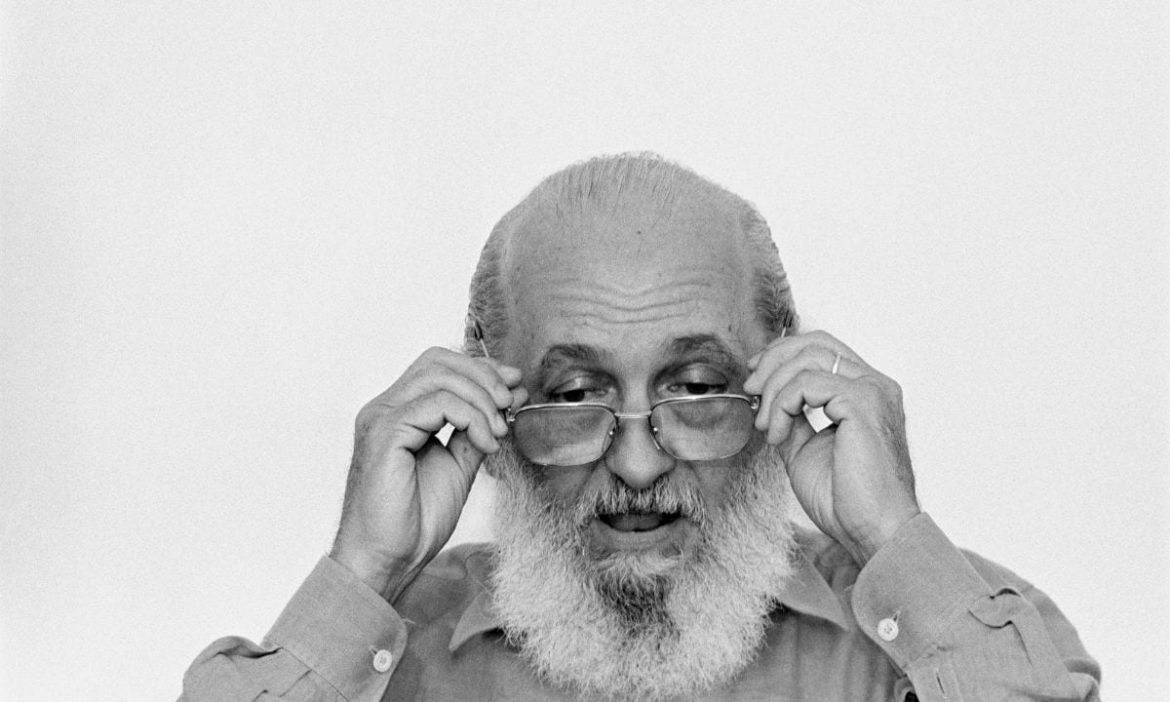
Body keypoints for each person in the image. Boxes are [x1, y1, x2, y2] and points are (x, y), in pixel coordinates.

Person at [180, 153, 1101, 701]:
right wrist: (364, 571)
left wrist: (892, 534)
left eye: (695, 386)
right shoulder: (394, 659)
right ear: (490, 411)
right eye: (574, 394)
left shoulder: (938, 635)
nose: (635, 459)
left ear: (778, 388)